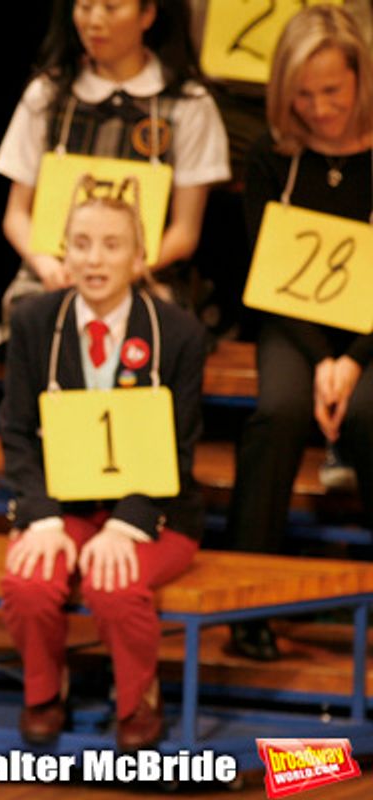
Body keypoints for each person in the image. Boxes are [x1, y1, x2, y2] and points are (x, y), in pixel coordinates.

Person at [0, 180, 206, 750]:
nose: (95, 259)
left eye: (112, 245)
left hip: (152, 511)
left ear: (139, 258)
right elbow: (16, 431)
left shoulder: (180, 334)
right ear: (63, 249)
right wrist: (38, 517)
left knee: (114, 582)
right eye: (82, 243)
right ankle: (44, 688)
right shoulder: (35, 321)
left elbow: (179, 449)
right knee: (29, 580)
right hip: (61, 506)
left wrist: (123, 525)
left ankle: (137, 696)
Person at [226, 5, 373, 661]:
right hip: (296, 323)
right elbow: (267, 268)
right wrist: (321, 359)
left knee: (370, 414)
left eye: (332, 93)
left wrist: (353, 360)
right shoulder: (271, 153)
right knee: (277, 412)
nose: (318, 109)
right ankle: (249, 599)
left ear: (361, 80)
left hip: (372, 330)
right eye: (303, 95)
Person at [0, 0, 229, 344]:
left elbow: (185, 232)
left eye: (111, 8)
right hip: (55, 275)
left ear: (147, 15)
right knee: (37, 318)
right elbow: (16, 216)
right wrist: (50, 266)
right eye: (84, 7)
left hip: (144, 275)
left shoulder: (188, 104)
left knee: (154, 325)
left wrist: (119, 268)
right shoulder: (48, 94)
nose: (94, 21)